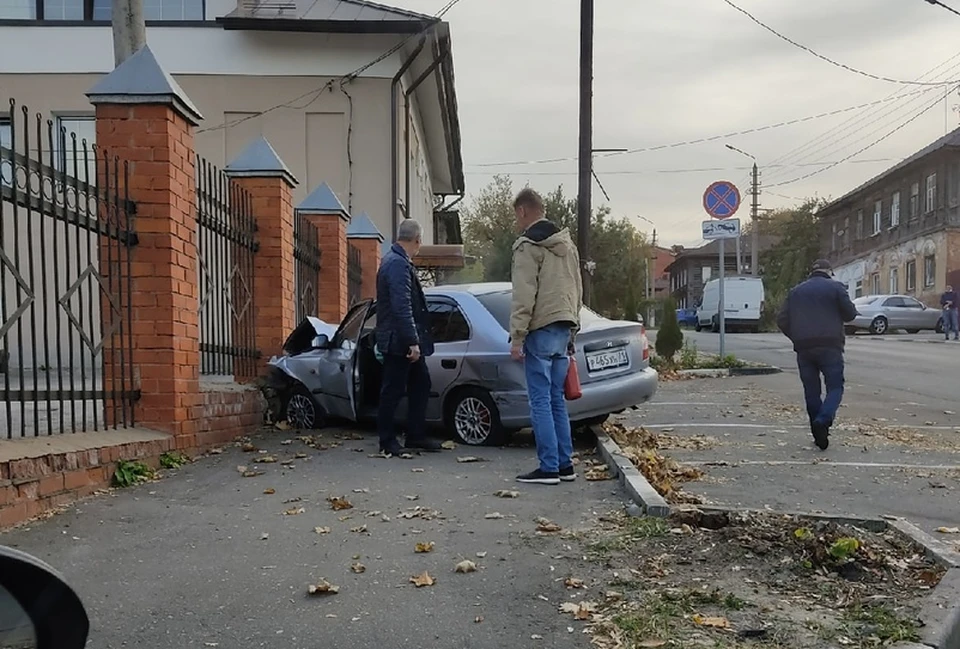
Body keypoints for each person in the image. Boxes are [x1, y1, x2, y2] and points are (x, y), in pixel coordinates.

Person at [509, 188, 583, 485]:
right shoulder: (569, 247)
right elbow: (577, 290)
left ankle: (548, 467)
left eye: (516, 215)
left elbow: (523, 294)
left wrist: (517, 336)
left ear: (523, 211)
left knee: (539, 400)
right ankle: (565, 464)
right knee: (555, 400)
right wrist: (573, 330)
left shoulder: (527, 246)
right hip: (564, 326)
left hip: (540, 328)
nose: (516, 222)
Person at [375, 219, 443, 455]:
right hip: (399, 341)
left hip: (400, 337)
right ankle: (387, 441)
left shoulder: (395, 261)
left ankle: (415, 435)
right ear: (416, 240)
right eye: (420, 242)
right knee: (392, 390)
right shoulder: (397, 264)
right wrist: (412, 341)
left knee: (420, 384)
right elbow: (401, 305)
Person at [777, 259, 858, 450]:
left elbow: (782, 320)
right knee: (835, 387)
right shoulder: (836, 287)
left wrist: (796, 336)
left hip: (804, 347)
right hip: (830, 345)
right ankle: (824, 419)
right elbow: (850, 315)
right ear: (829, 271)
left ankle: (817, 433)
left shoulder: (795, 291)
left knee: (811, 390)